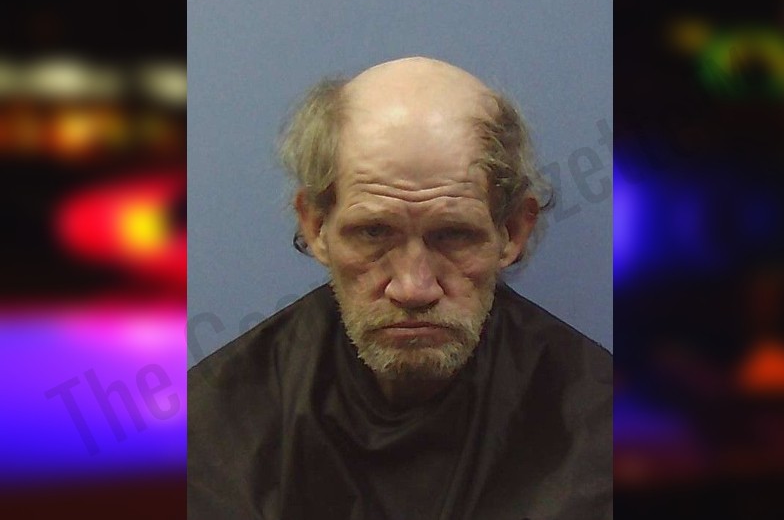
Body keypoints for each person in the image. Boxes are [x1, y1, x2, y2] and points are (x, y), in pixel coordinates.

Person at [188, 56, 612, 520]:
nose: (413, 288)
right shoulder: (214, 433)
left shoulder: (603, 435)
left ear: (511, 231)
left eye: (454, 235)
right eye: (373, 233)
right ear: (315, 227)